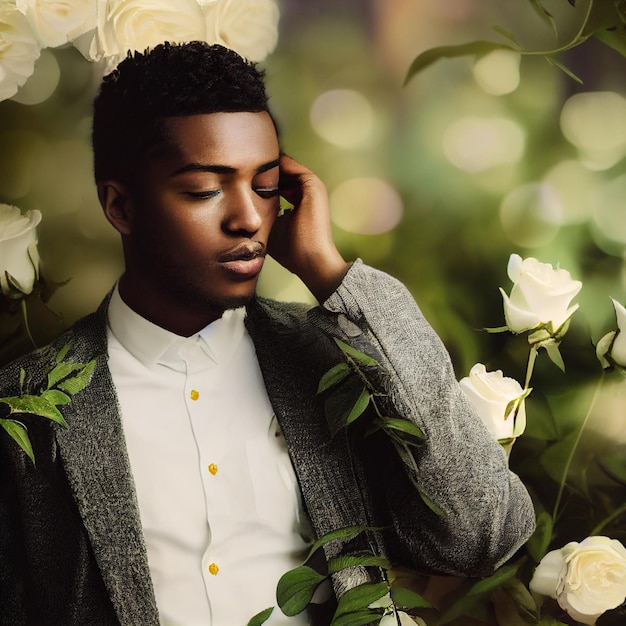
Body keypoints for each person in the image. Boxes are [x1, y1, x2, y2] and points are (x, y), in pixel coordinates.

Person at [0, 42, 535, 626]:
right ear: (121, 206)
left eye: (264, 185)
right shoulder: (26, 406)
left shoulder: (332, 359)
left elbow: (480, 537)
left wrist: (331, 274)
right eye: (206, 190)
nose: (249, 219)